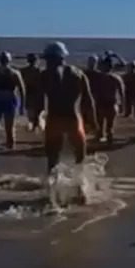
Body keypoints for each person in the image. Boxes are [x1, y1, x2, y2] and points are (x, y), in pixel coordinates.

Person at [41, 42, 96, 172]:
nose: (47, 62)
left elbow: (38, 99)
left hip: (54, 118)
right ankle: (81, 185)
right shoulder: (78, 73)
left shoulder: (45, 74)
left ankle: (52, 186)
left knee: (52, 159)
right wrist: (93, 121)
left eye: (48, 59)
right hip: (73, 119)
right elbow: (88, 100)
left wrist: (37, 117)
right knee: (80, 158)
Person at [93, 58, 125, 143]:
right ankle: (108, 139)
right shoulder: (115, 78)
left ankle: (101, 137)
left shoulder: (98, 77)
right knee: (109, 126)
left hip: (102, 104)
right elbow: (122, 92)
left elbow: (93, 91)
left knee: (101, 125)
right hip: (111, 104)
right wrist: (122, 104)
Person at [20, 53, 45, 131]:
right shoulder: (40, 71)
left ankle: (35, 126)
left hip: (30, 93)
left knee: (32, 111)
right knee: (37, 112)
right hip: (38, 93)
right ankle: (36, 126)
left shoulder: (23, 71)